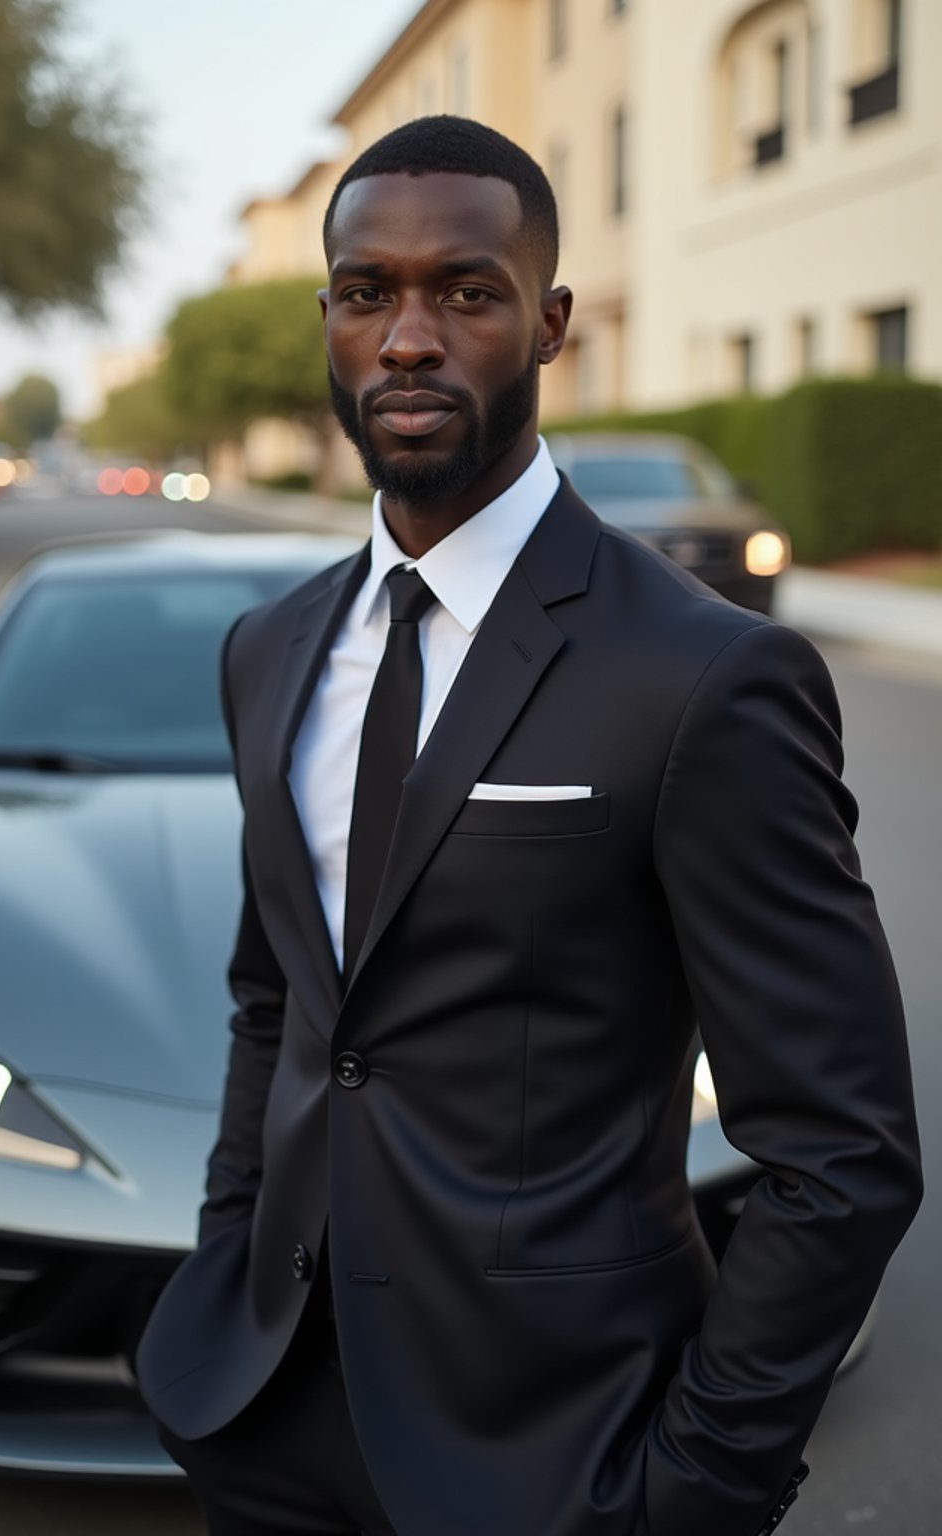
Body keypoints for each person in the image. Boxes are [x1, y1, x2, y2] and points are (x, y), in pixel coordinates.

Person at [137, 117, 921, 1536]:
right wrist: (233, 1243)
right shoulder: (270, 648)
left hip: (559, 1456)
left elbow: (844, 1151)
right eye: (368, 292)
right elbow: (284, 1005)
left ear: (550, 323)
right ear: (328, 318)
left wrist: (697, 1490)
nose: (411, 337)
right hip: (265, 1421)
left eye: (467, 291)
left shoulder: (702, 674)